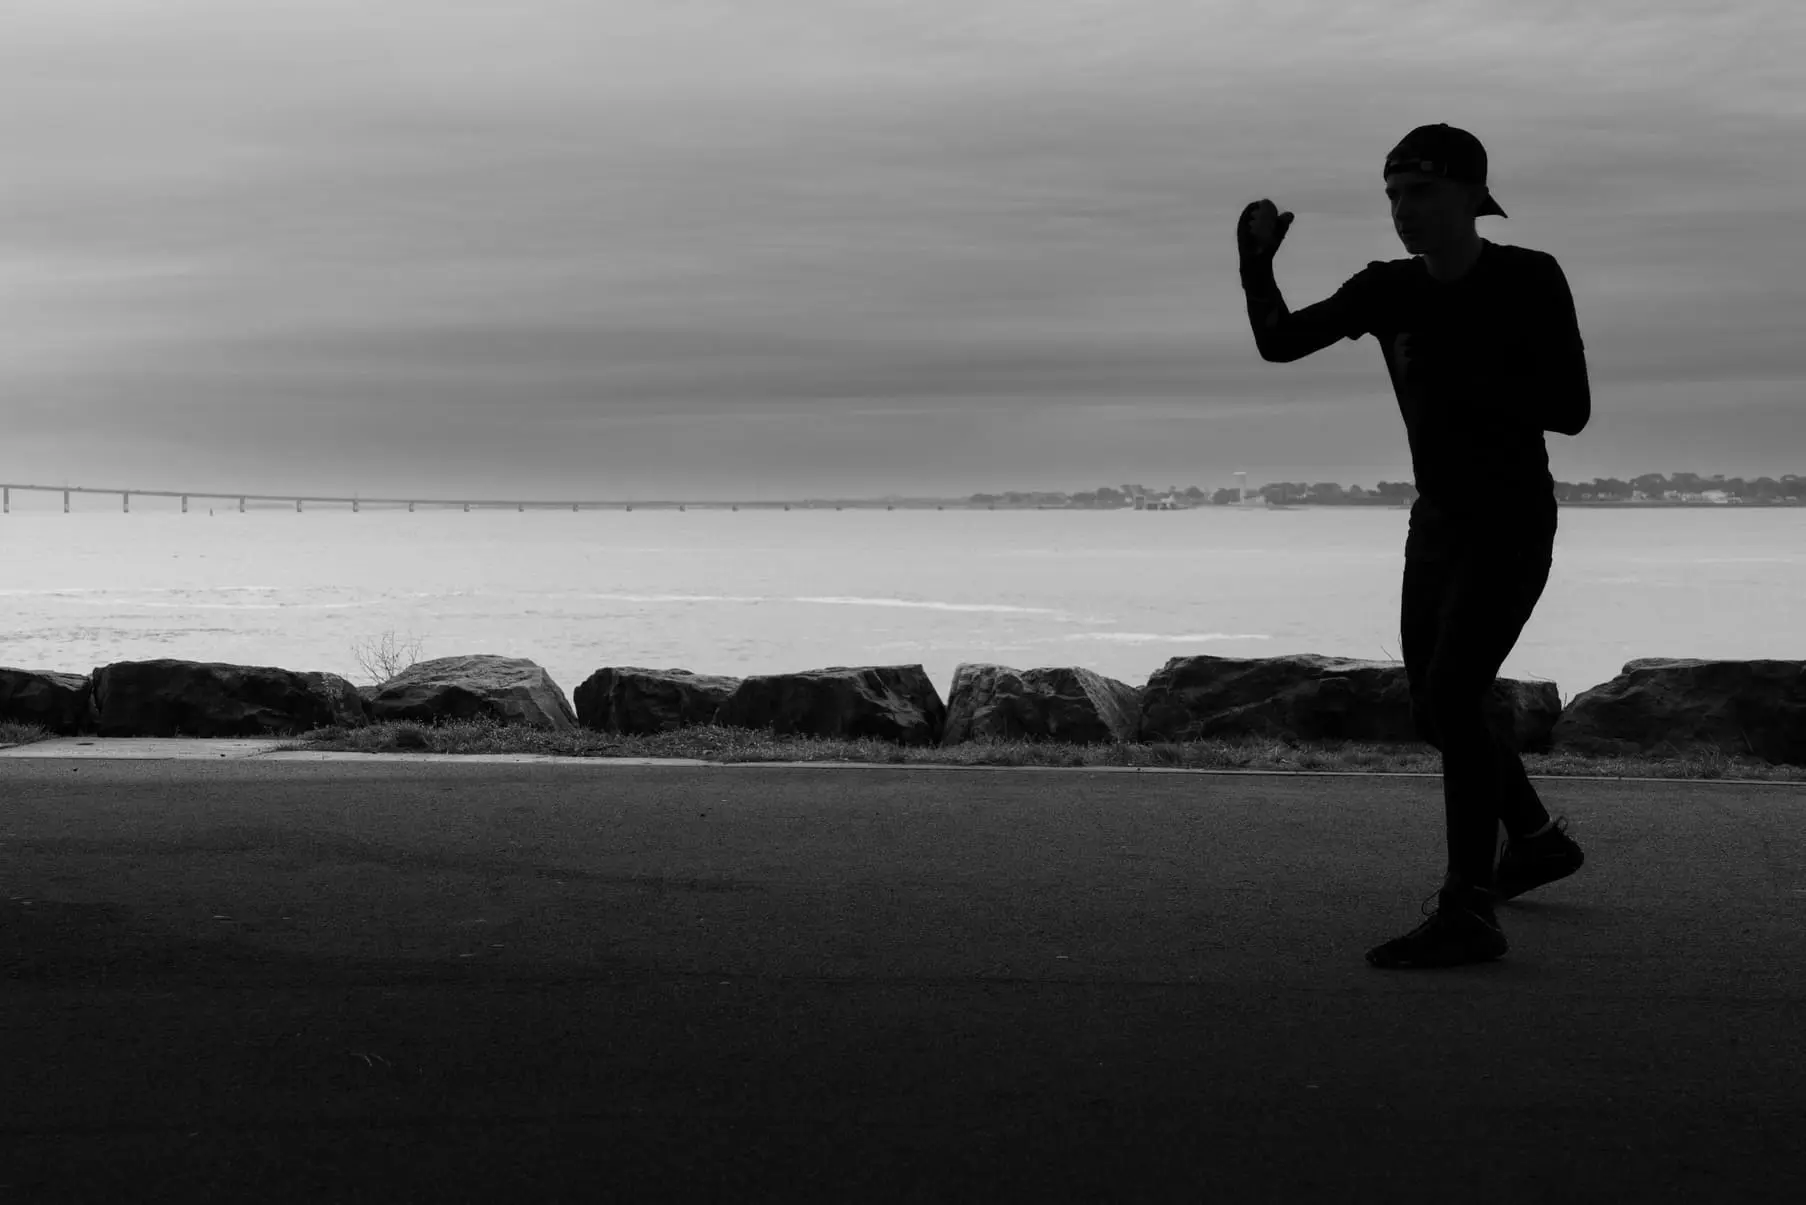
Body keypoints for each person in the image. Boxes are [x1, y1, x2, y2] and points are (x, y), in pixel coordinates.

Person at [1235, 123, 1590, 968]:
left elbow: (1570, 407)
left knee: (1458, 690)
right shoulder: (1386, 290)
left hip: (1511, 518)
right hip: (1436, 522)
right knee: (1437, 706)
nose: (1403, 211)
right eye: (1392, 194)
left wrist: (1473, 370)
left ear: (1474, 196)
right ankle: (1535, 838)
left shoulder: (1529, 278)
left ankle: (1467, 909)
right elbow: (1279, 341)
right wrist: (1255, 261)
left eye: (1421, 192)